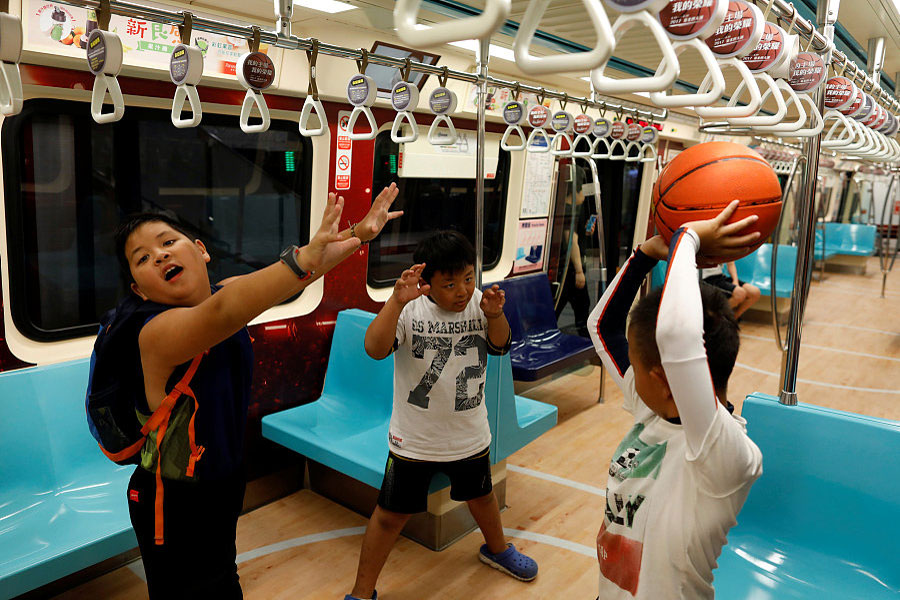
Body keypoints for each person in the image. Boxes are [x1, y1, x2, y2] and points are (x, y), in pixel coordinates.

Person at [114, 185, 401, 599]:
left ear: (201, 250)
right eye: (142, 259)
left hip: (223, 477)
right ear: (139, 290)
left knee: (221, 580)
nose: (159, 255)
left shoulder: (227, 292)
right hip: (173, 496)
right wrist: (307, 255)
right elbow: (226, 313)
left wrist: (361, 234)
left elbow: (297, 277)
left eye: (167, 242)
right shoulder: (156, 333)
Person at [346, 230, 537, 600]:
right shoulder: (410, 311)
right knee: (388, 516)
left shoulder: (479, 303)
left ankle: (497, 550)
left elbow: (500, 345)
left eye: (467, 278)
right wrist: (394, 304)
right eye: (450, 284)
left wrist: (495, 314)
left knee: (483, 498)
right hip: (413, 441)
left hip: (469, 434)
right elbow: (374, 348)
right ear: (427, 284)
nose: (463, 291)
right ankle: (361, 590)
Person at [587, 201, 763, 599]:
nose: (626, 369)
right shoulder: (653, 408)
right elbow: (602, 326)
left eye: (634, 361)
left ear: (664, 380)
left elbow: (678, 337)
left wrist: (689, 238)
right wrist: (646, 255)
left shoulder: (724, 453)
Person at [556, 165, 592, 337]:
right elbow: (572, 242)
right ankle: (587, 344)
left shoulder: (569, 208)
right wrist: (579, 271)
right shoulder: (569, 211)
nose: (584, 196)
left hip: (566, 269)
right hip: (569, 270)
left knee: (579, 306)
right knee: (583, 307)